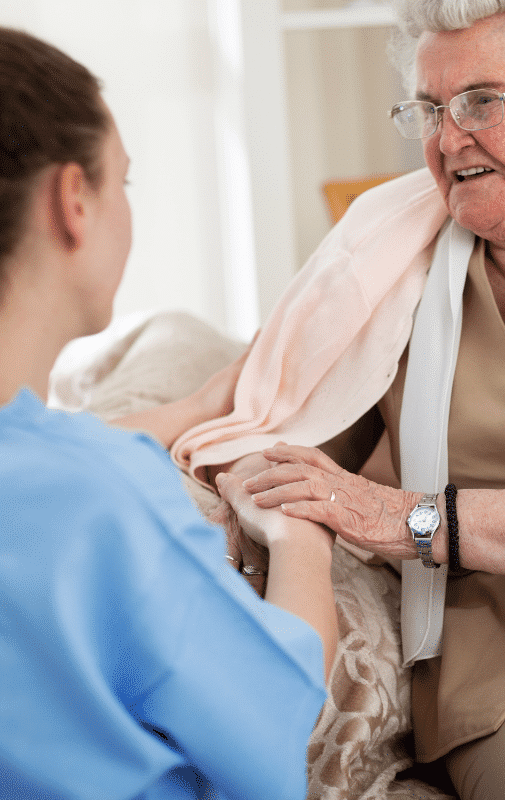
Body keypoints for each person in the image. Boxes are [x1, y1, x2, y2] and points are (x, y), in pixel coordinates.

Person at [168, 2, 505, 798]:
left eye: (481, 100)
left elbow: (372, 506)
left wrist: (402, 517)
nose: (447, 138)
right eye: (429, 110)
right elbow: (280, 432)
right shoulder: (388, 261)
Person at [0, 27, 338, 800]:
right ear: (71, 201)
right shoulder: (107, 502)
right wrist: (304, 539)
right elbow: (279, 710)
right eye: (125, 180)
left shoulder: (69, 469)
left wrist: (191, 409)